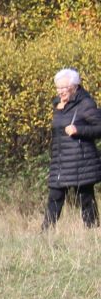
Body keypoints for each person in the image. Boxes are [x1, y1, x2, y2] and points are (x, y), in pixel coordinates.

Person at [45, 68, 101, 229]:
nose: (60, 91)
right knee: (55, 195)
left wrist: (79, 130)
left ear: (74, 86)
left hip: (82, 161)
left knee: (85, 196)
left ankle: (92, 231)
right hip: (60, 160)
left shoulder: (86, 104)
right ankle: (46, 232)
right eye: (58, 88)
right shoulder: (58, 106)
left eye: (63, 88)